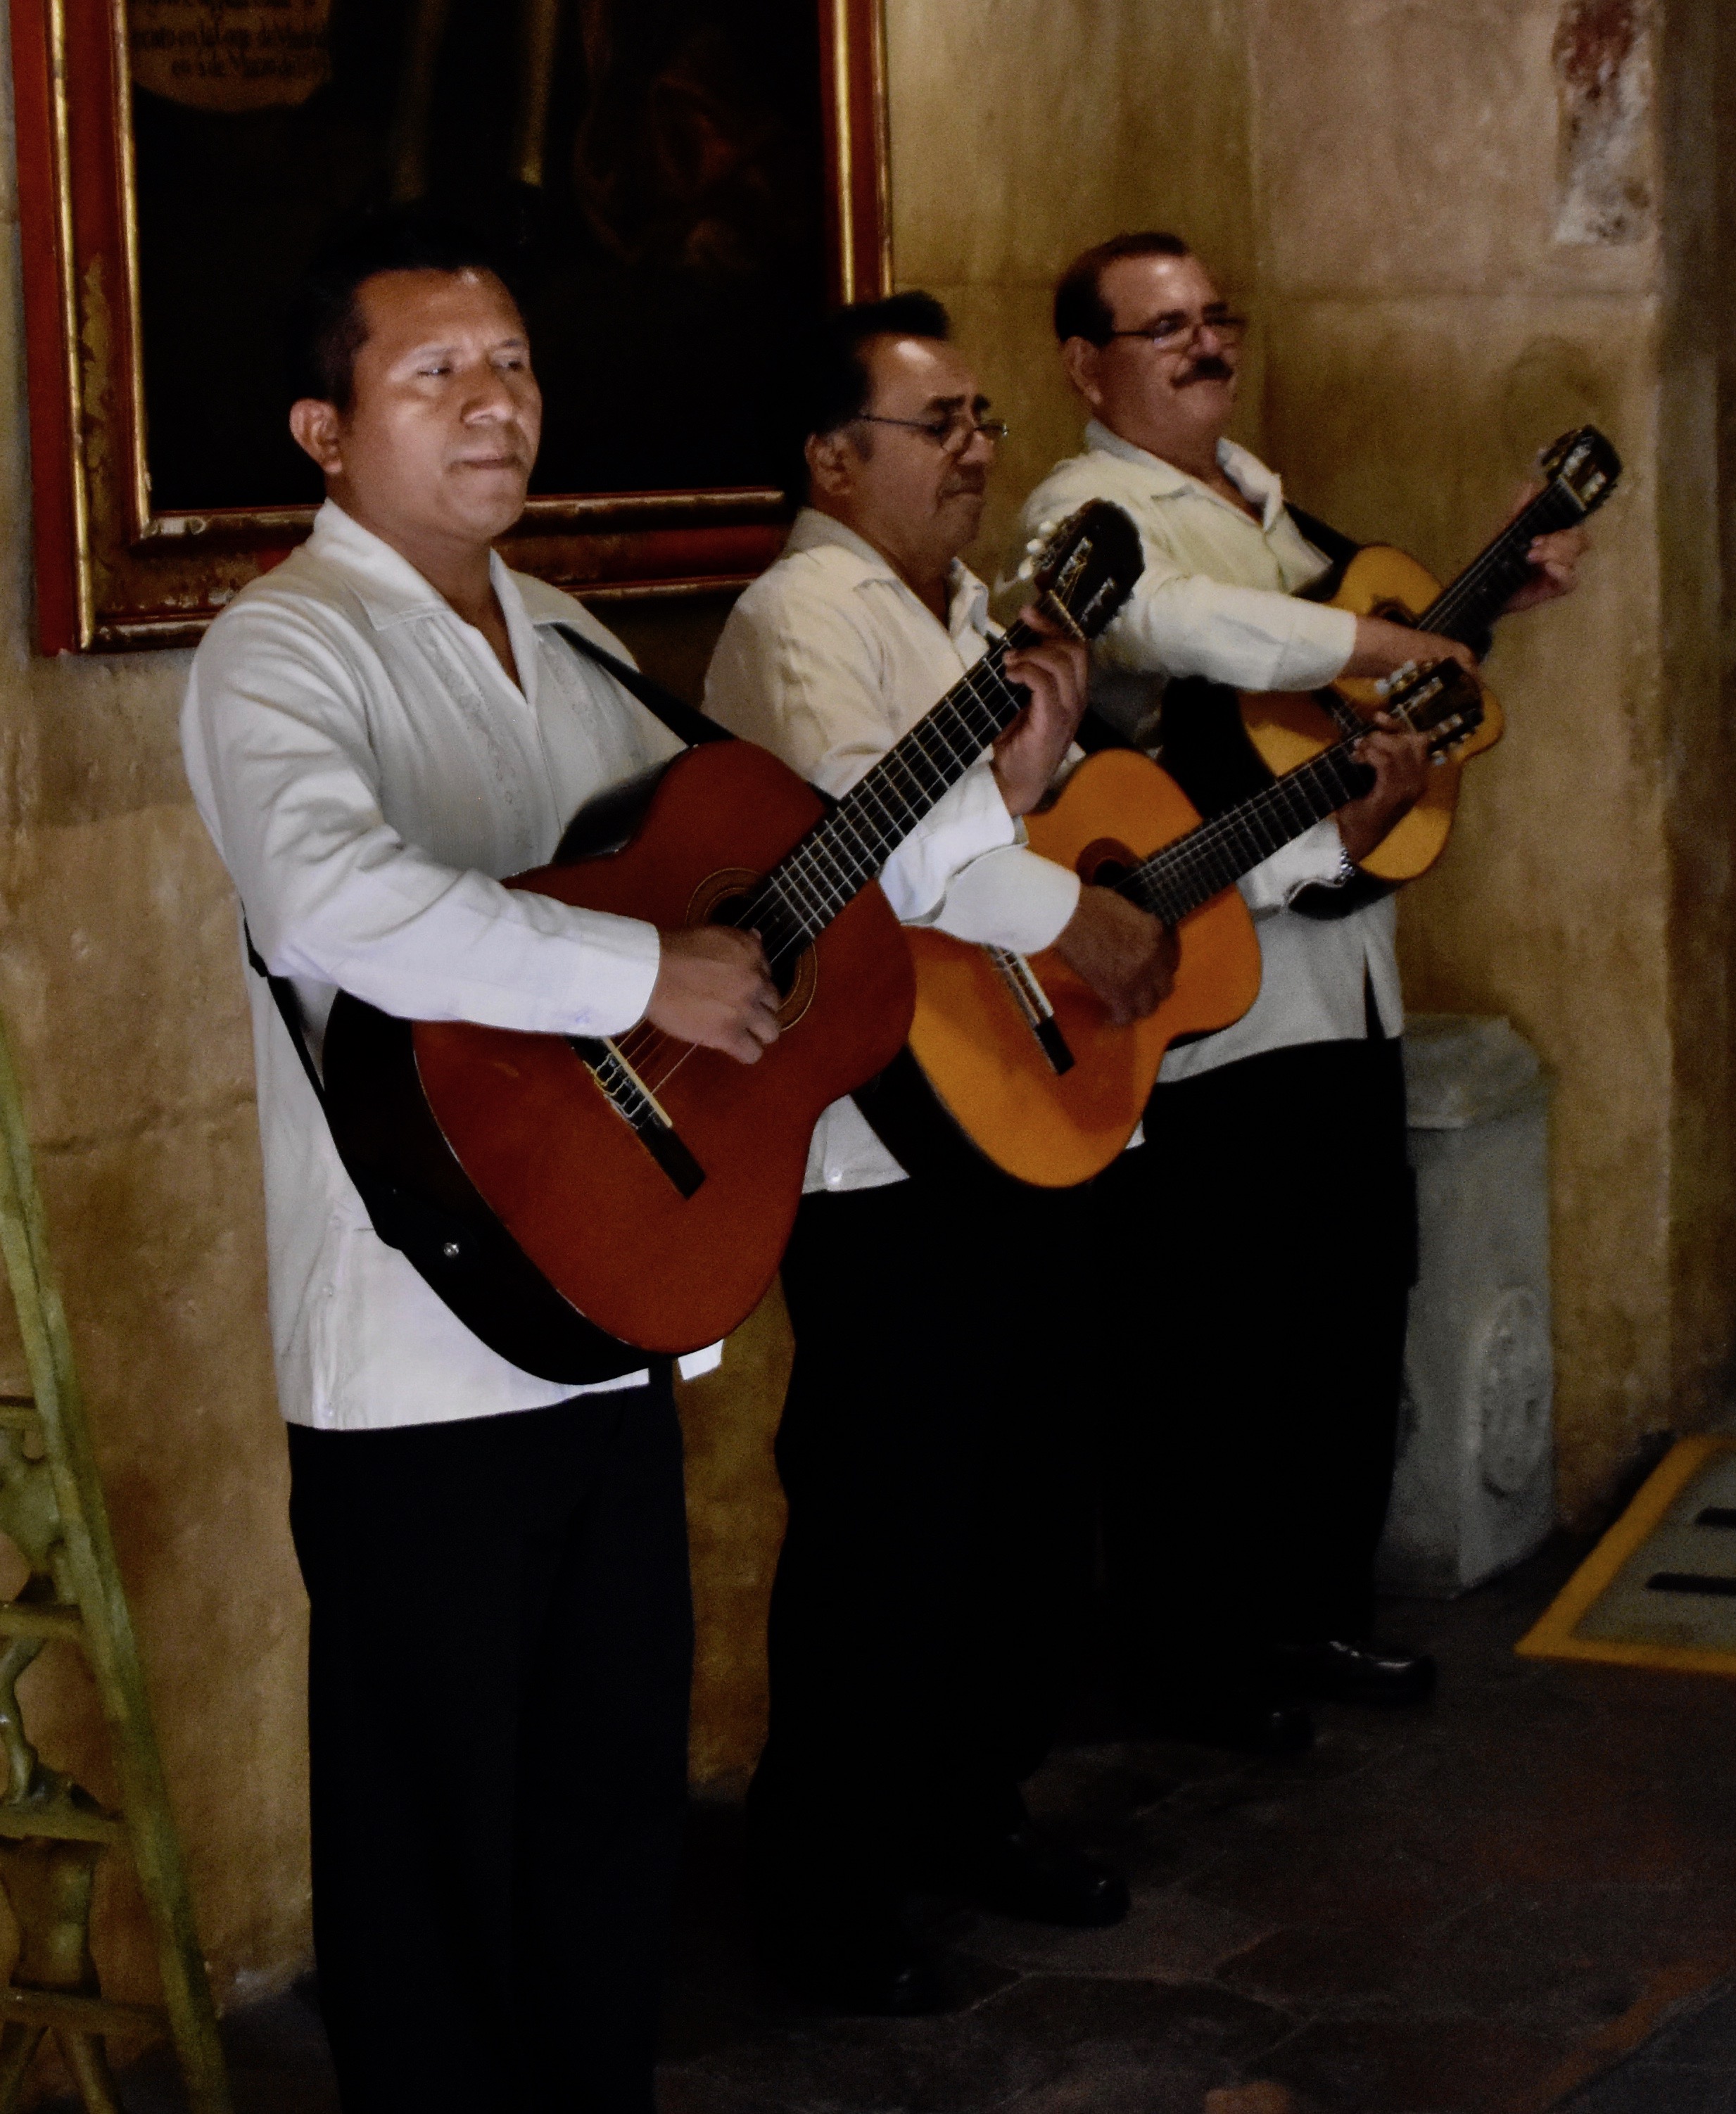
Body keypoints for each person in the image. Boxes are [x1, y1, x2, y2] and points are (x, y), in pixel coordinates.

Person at [178, 210, 780, 2114]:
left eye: (509, 363)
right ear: (321, 431)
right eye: (431, 373)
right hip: (413, 1347)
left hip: (603, 1311)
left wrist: (979, 804)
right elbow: (334, 899)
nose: (488, 401)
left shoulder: (572, 636)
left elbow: (735, 859)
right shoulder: (278, 646)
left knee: (606, 1809)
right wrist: (635, 967)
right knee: (432, 1840)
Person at [1003, 231, 1587, 1752]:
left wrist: (1481, 600)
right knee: (1208, 1347)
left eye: (1215, 319)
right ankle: (1194, 1664)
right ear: (1086, 365)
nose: (1203, 344)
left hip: (1347, 986)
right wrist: (1385, 640)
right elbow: (1191, 631)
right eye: (1163, 327)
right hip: (1208, 1008)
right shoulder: (1085, 513)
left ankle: (1315, 1615)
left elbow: (1338, 687)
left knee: (1342, 1312)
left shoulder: (1272, 502)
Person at [702, 291, 1175, 2015]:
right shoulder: (793, 619)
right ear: (834, 458)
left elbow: (1007, 817)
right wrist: (1074, 907)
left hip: (1003, 1110)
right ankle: (826, 1883)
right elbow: (875, 849)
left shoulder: (977, 613)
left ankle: (972, 1806)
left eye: (985, 419)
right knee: (883, 1523)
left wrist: (1054, 798)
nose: (979, 451)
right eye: (941, 425)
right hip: (872, 1144)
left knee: (1021, 1502)